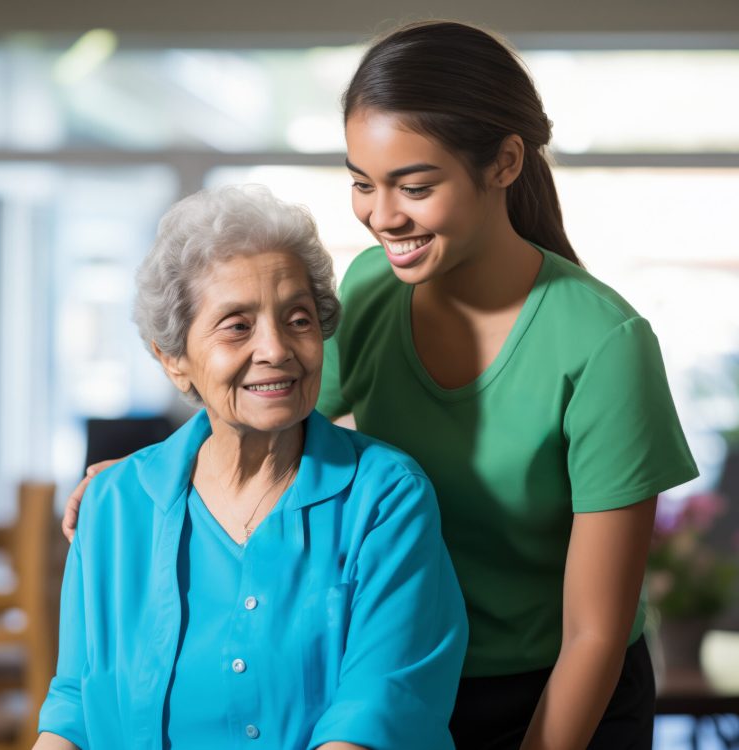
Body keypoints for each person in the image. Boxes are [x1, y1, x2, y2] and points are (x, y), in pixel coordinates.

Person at [63, 21, 700, 750]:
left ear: (504, 163)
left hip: (558, 689)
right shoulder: (374, 288)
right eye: (362, 184)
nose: (381, 215)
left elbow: (594, 631)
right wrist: (149, 481)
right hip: (407, 666)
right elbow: (272, 402)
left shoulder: (604, 346)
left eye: (415, 186)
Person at [35, 185, 468, 750]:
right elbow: (74, 706)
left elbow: (378, 710)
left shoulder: (387, 498)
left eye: (298, 319)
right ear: (173, 358)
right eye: (237, 326)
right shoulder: (114, 503)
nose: (277, 348)